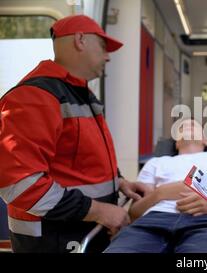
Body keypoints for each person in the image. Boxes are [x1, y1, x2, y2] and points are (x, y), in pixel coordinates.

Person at [0, 15, 150, 253]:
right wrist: (101, 211)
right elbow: (20, 185)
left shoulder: (82, 95)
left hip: (83, 230)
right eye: (103, 47)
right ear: (80, 40)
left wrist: (120, 183)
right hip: (52, 239)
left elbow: (81, 158)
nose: (108, 56)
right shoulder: (34, 96)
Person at [104, 119, 207, 253]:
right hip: (152, 221)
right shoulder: (156, 162)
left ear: (205, 140)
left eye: (194, 125)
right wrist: (160, 193)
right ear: (177, 142)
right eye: (182, 127)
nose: (188, 126)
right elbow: (134, 213)